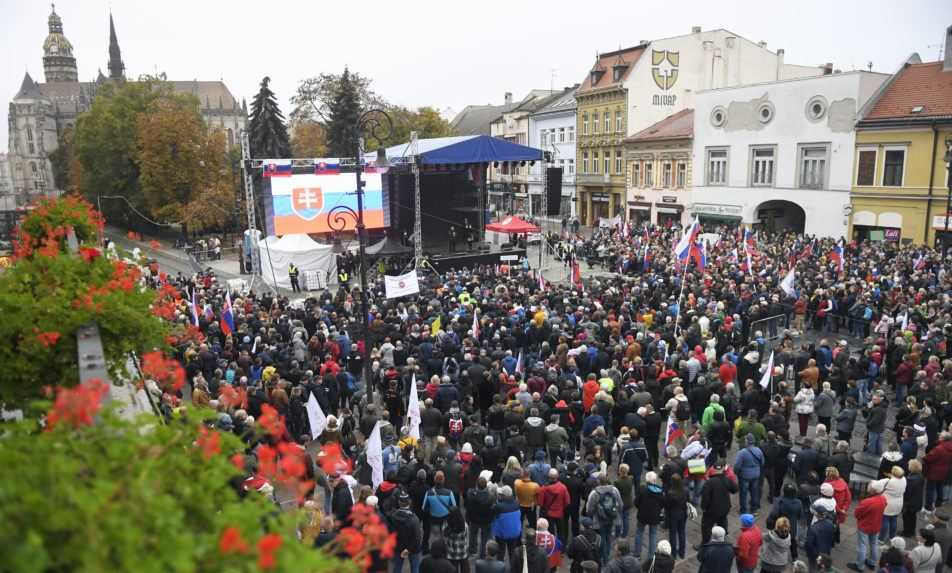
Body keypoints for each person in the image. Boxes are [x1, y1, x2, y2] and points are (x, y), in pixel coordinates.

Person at [849, 483, 887, 572]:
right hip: (876, 525)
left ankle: (859, 565)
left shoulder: (867, 502)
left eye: (869, 487)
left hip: (865, 526)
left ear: (873, 490)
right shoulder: (883, 499)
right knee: (874, 545)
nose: (868, 488)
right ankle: (872, 563)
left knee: (862, 546)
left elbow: (857, 514)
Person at [585, 474, 623, 563]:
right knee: (608, 536)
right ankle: (607, 555)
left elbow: (589, 509)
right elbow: (621, 504)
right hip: (611, 518)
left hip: (599, 519)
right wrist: (615, 514)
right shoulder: (614, 490)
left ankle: (604, 557)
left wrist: (591, 517)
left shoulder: (594, 493)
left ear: (598, 482)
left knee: (602, 538)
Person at [699, 461, 738, 545]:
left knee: (706, 527)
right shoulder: (726, 479)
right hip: (724, 508)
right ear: (723, 468)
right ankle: (722, 540)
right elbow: (735, 489)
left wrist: (703, 507)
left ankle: (705, 544)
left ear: (713, 469)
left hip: (711, 511)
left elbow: (705, 497)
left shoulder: (709, 482)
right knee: (722, 523)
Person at [871, 466, 906, 543]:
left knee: (885, 521)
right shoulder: (904, 479)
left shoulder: (888, 481)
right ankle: (892, 537)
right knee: (893, 520)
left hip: (888, 504)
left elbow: (874, 486)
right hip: (898, 504)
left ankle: (881, 539)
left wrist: (872, 482)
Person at [633, 471, 663, 560]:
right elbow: (663, 503)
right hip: (655, 517)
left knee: (639, 533)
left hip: (642, 515)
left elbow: (636, 502)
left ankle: (637, 554)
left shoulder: (642, 489)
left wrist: (640, 508)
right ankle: (651, 557)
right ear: (655, 480)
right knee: (653, 535)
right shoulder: (660, 491)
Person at [392, 492, 424, 573]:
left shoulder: (393, 517)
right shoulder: (414, 519)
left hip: (398, 546)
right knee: (415, 568)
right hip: (413, 548)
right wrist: (408, 549)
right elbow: (417, 537)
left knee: (397, 567)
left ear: (399, 502)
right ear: (409, 502)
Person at [734, 434, 765, 515]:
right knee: (754, 492)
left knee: (743, 493)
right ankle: (754, 509)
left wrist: (736, 472)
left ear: (747, 441)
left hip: (745, 476)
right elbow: (762, 462)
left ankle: (743, 510)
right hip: (756, 475)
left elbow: (737, 465)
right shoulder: (759, 450)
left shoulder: (742, 452)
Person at [491, 486, 522, 562]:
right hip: (515, 533)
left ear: (503, 496)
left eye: (500, 494)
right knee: (512, 552)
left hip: (502, 534)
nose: (499, 495)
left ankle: (500, 567)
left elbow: (492, 514)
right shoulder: (517, 503)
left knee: (501, 551)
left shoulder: (499, 506)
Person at [662, 474, 689, 561]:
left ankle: (673, 553)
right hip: (683, 514)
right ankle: (682, 552)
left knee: (673, 534)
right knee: (681, 532)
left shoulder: (670, 493)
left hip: (673, 515)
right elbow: (688, 501)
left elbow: (667, 505)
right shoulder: (685, 490)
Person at [805, 508, 835, 573]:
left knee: (813, 568)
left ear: (817, 515)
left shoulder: (813, 528)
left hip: (815, 554)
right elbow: (832, 538)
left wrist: (809, 553)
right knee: (823, 568)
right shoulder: (830, 524)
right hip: (826, 552)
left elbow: (809, 544)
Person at [443, 506, 470, 573]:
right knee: (465, 570)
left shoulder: (447, 525)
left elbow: (445, 537)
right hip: (463, 551)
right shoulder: (464, 525)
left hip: (451, 553)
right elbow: (466, 537)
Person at [903, 460, 925, 537]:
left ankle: (906, 532)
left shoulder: (911, 479)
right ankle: (911, 531)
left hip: (909, 502)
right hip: (917, 501)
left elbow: (907, 492)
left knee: (906, 517)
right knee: (913, 517)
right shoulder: (920, 476)